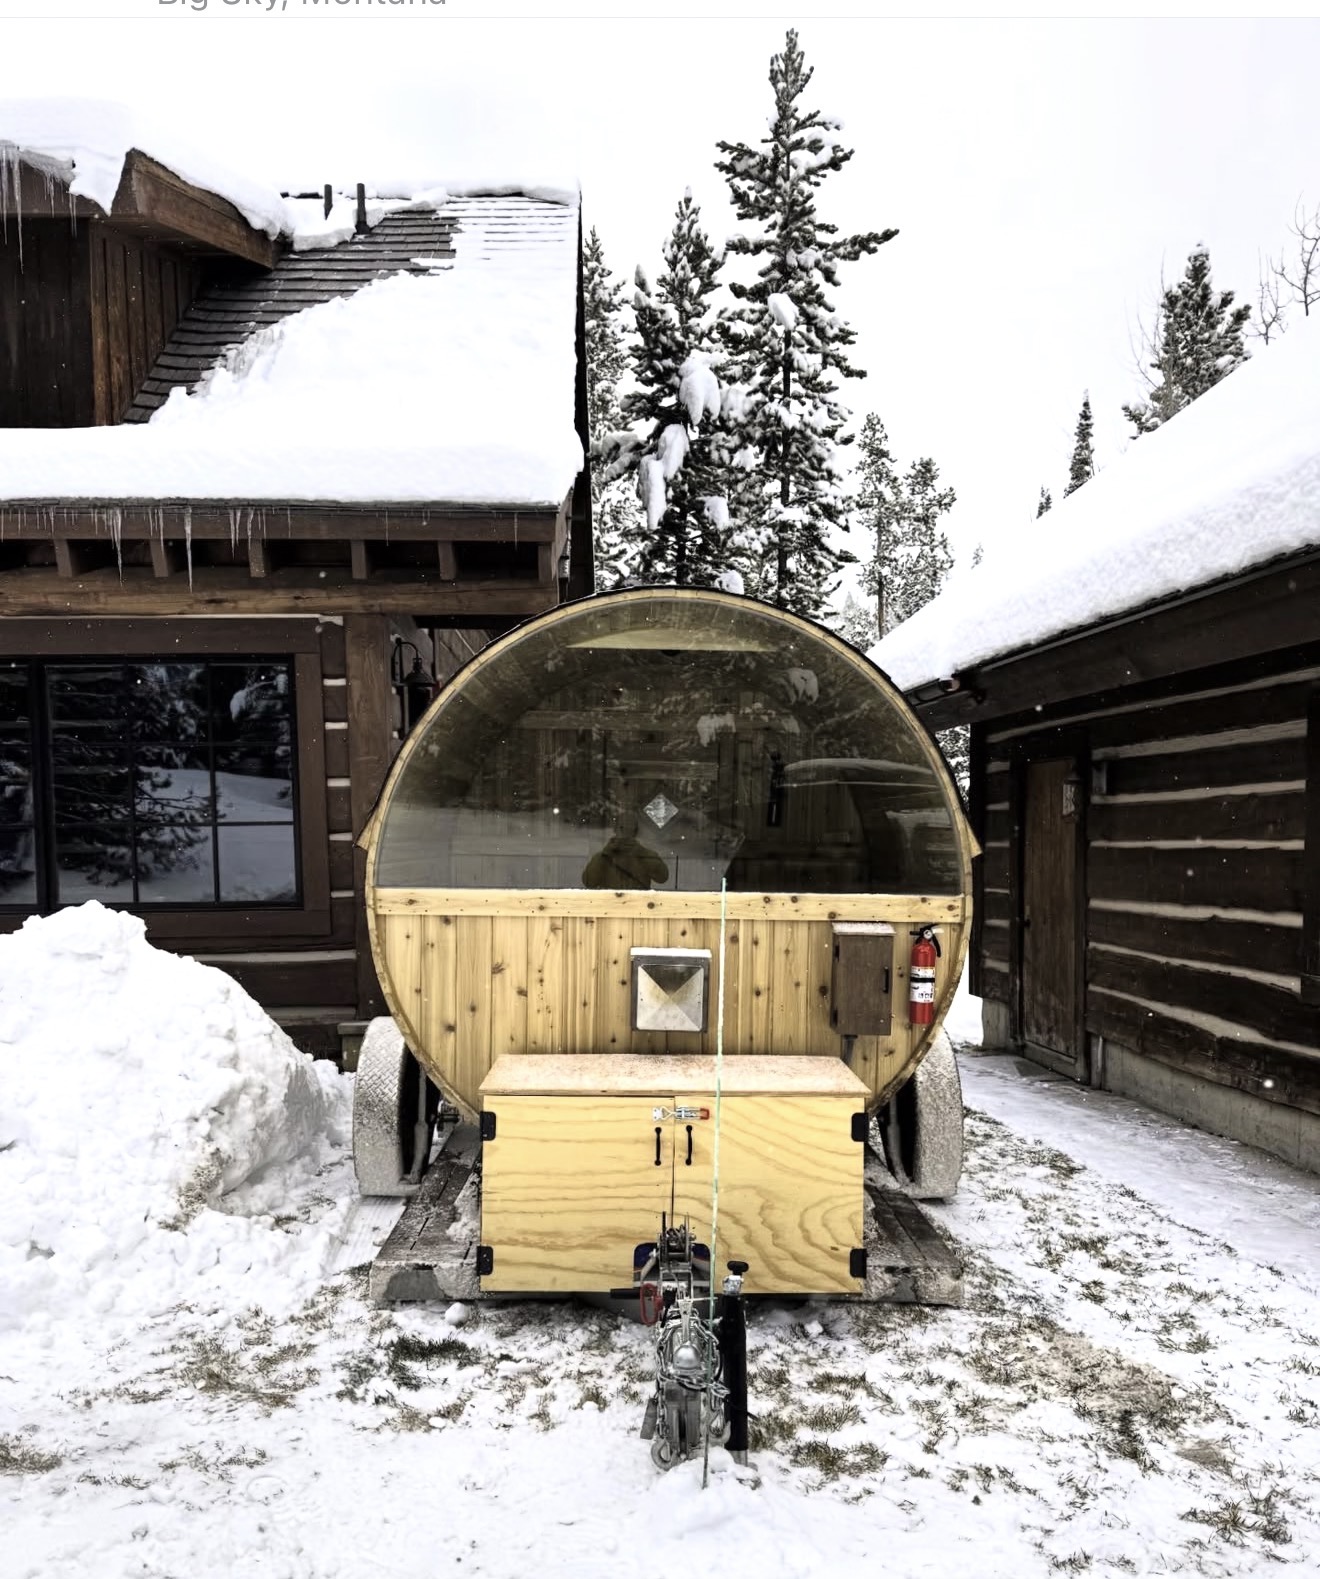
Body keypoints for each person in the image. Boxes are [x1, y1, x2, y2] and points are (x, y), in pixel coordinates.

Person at [582, 813, 669, 890]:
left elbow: (662, 877)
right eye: (622, 828)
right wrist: (605, 855)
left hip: (638, 905)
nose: (625, 832)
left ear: (635, 832)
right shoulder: (604, 856)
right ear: (615, 829)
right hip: (610, 905)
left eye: (629, 828)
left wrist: (641, 853)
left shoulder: (644, 854)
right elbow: (589, 882)